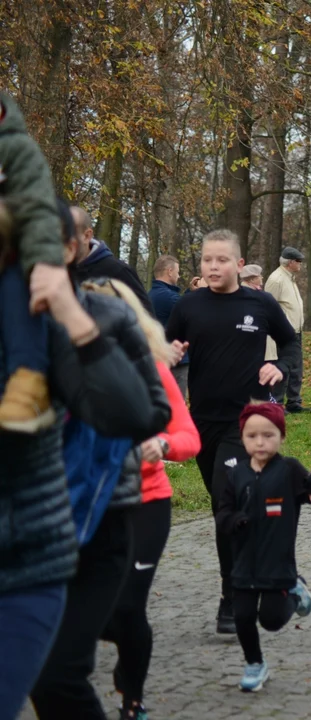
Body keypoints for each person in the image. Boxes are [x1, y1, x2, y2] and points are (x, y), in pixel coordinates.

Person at [0, 201, 166, 720]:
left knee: (55, 676)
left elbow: (147, 411)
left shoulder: (106, 316)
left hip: (96, 524)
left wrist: (73, 320)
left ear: (70, 249)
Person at [165, 229, 296, 635]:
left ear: (239, 265)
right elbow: (166, 347)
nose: (213, 267)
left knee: (228, 500)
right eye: (207, 260)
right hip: (202, 422)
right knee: (228, 510)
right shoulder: (188, 306)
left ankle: (232, 594)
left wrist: (281, 367)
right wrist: (167, 353)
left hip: (246, 425)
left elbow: (291, 344)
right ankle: (266, 571)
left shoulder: (260, 303)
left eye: (221, 260)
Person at [83, 278, 200, 720]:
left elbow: (189, 437)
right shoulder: (61, 368)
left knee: (129, 604)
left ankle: (133, 700)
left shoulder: (152, 368)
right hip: (89, 504)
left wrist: (164, 446)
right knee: (95, 611)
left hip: (147, 500)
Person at [216, 402, 311, 692]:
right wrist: (235, 521)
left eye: (268, 435)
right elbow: (222, 514)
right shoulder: (236, 475)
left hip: (278, 565)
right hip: (242, 565)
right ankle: (255, 663)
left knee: (271, 620)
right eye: (252, 436)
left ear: (281, 436)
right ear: (242, 438)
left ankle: (295, 589)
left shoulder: (288, 470)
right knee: (242, 617)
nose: (260, 442)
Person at [0, 93, 63, 433]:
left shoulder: (15, 149)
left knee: (20, 287)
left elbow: (38, 209)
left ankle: (29, 378)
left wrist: (45, 263)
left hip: (9, 252)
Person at [70, 206, 152, 311]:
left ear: (87, 236)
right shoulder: (54, 273)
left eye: (67, 234)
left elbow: (147, 321)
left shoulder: (118, 272)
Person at [264, 247, 309, 413]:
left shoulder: (290, 278)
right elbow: (268, 307)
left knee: (296, 368)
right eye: (298, 261)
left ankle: (294, 402)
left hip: (295, 332)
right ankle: (276, 403)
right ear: (290, 262)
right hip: (282, 333)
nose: (300, 265)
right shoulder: (276, 279)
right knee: (283, 368)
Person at [148, 254, 190, 397]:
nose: (178, 276)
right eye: (177, 272)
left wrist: (190, 292)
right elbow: (191, 314)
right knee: (177, 404)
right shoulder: (170, 297)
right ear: (170, 271)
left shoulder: (150, 295)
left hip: (156, 358)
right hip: (176, 360)